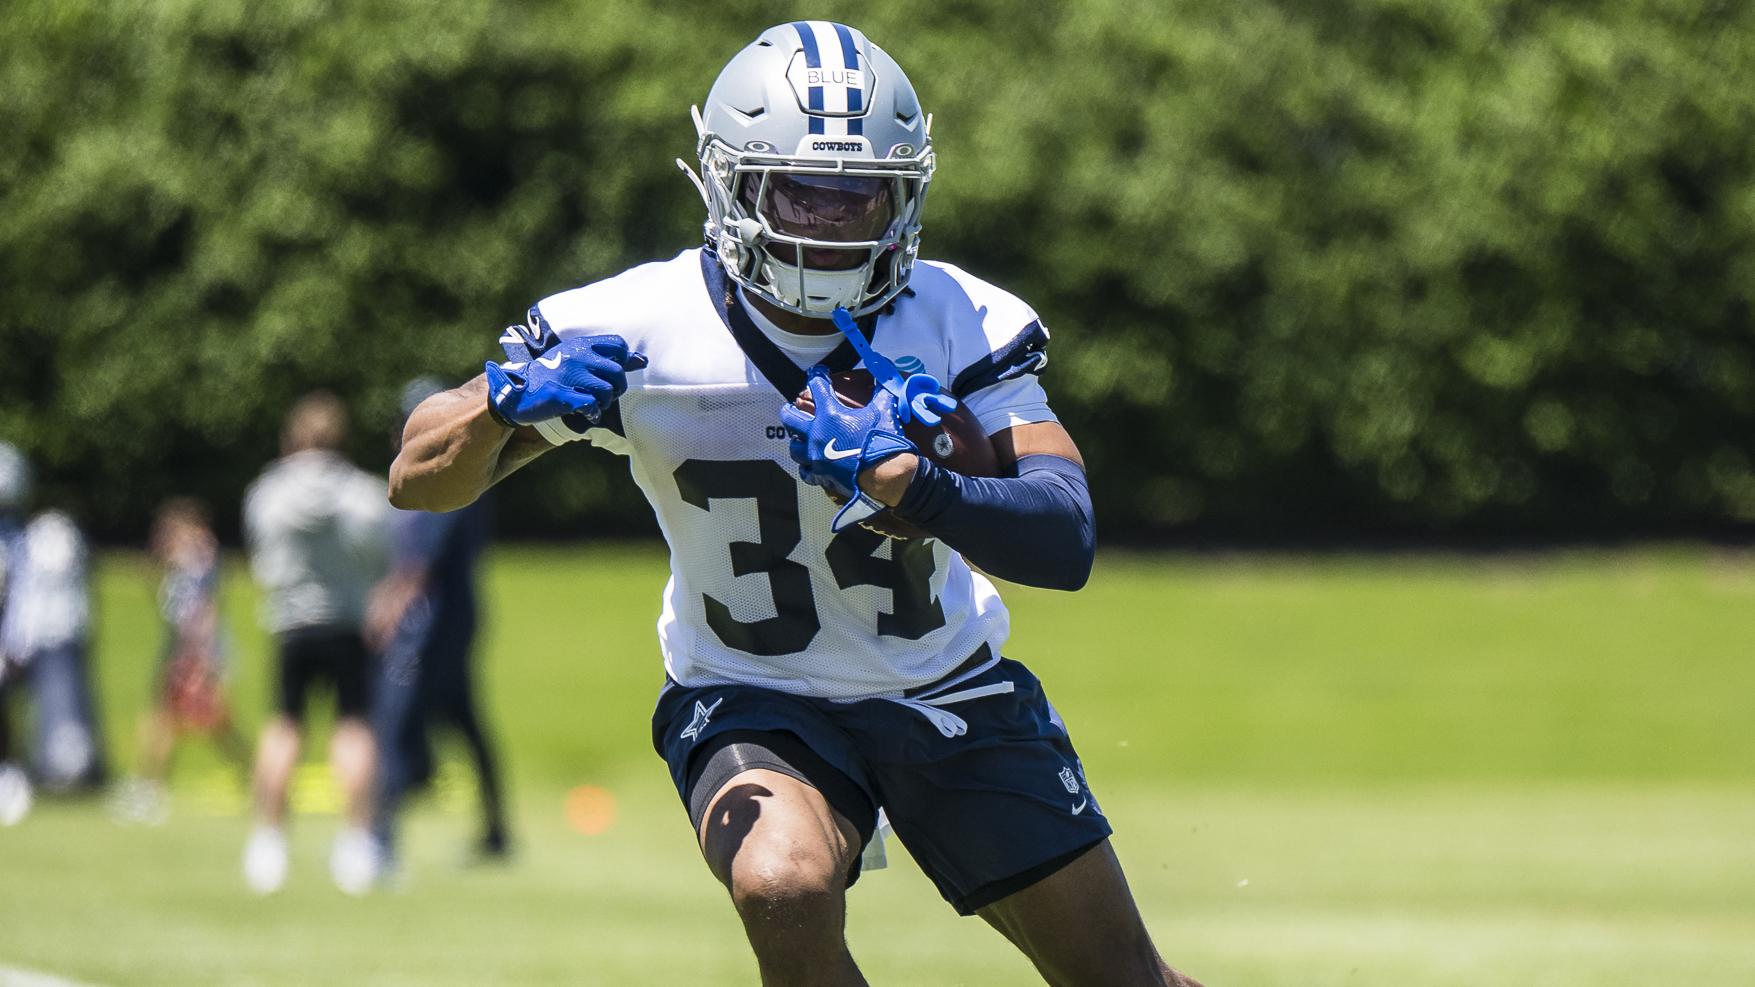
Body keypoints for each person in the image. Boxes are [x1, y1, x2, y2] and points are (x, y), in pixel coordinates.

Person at [390, 22, 1203, 986]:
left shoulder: (955, 317)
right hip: (748, 688)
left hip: (943, 680)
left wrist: (910, 481)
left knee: (1122, 978)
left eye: (863, 195)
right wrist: (496, 403)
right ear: (730, 183)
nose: (833, 221)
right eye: (803, 191)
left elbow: (1064, 534)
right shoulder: (636, 326)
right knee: (780, 882)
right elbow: (417, 476)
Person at [242, 392, 390, 894]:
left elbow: (262, 554)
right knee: (352, 730)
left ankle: (268, 845)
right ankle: (357, 847)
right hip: (348, 623)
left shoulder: (267, 493)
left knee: (284, 728)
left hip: (291, 623)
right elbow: (380, 558)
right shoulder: (362, 494)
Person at [365, 378, 510, 875]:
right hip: (457, 619)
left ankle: (380, 842)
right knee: (466, 723)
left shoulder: (444, 473)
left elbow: (418, 564)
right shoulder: (473, 470)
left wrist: (387, 607)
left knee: (393, 719)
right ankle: (496, 830)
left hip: (426, 626)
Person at [112, 498, 249, 824]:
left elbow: (207, 607)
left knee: (213, 721)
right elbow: (156, 584)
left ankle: (152, 789)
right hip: (181, 646)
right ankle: (150, 785)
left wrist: (201, 656)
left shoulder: (201, 557)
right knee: (166, 718)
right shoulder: (186, 561)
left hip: (195, 649)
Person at [0, 440, 104, 826]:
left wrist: (16, 642)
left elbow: (22, 595)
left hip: (32, 635)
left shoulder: (27, 537)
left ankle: (21, 775)